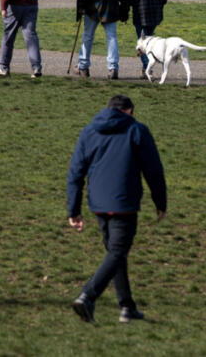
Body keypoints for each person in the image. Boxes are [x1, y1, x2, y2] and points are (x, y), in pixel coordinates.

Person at [67, 94, 167, 324]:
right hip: (124, 203)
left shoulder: (89, 131)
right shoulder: (137, 130)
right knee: (117, 253)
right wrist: (160, 202)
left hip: (98, 204)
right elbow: (153, 170)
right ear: (129, 111)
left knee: (116, 254)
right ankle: (88, 296)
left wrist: (74, 209)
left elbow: (75, 173)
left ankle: (127, 306)